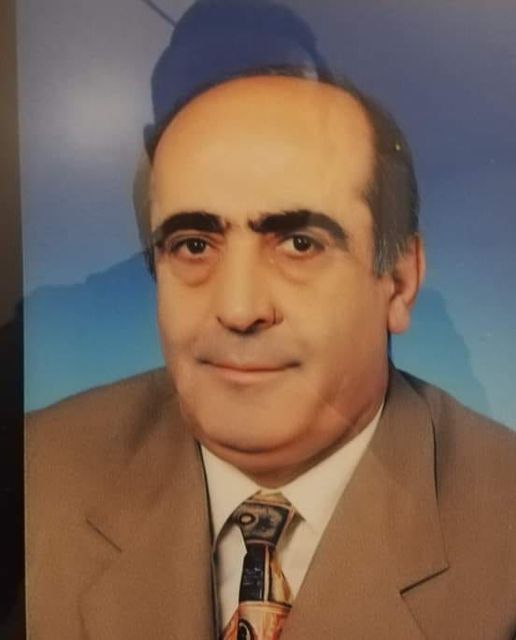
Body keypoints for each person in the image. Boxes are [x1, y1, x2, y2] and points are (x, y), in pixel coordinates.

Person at [26, 6, 516, 640]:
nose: (238, 309)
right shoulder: (33, 474)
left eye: (300, 244)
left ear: (399, 281)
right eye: (194, 245)